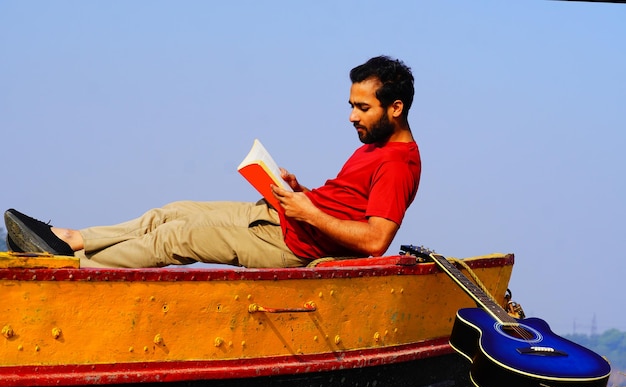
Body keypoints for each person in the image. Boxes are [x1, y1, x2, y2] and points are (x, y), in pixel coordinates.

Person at [4, 55, 421, 268]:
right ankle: (69, 239)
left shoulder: (399, 163)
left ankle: (76, 268)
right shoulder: (374, 144)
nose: (351, 116)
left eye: (361, 108)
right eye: (351, 105)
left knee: (176, 239)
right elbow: (347, 203)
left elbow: (374, 241)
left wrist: (308, 211)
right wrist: (301, 193)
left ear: (395, 107)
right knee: (172, 212)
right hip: (285, 215)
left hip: (293, 243)